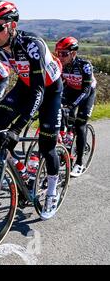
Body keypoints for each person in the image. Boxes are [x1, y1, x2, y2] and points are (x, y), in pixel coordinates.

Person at [0, 0, 63, 220]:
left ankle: (52, 192)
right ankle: (21, 171)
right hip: (25, 86)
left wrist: (17, 128)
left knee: (47, 146)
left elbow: (39, 92)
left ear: (12, 25)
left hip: (49, 89)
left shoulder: (32, 45)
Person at [56, 37, 96, 177]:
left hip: (86, 92)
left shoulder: (84, 65)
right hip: (71, 89)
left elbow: (85, 90)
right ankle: (66, 142)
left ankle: (79, 163)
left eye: (64, 53)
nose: (60, 57)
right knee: (59, 112)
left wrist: (72, 106)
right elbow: (57, 85)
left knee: (80, 125)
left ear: (73, 53)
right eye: (58, 53)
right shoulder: (60, 64)